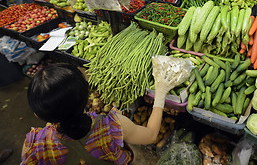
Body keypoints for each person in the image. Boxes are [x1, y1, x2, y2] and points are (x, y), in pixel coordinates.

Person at [21, 63, 179, 164]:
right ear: (88, 96)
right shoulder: (113, 126)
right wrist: (160, 93)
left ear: (38, 114)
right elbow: (151, 135)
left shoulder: (34, 145)